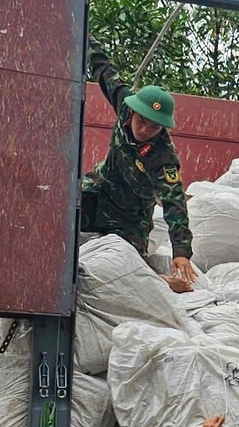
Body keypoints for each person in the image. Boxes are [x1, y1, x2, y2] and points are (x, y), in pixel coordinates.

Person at [81, 43, 197, 292]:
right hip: (100, 190)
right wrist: (86, 36)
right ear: (132, 112)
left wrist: (181, 252)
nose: (145, 130)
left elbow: (174, 202)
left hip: (131, 218)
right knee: (64, 213)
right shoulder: (124, 101)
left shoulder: (163, 157)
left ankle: (162, 281)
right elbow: (102, 69)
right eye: (142, 121)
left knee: (126, 267)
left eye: (154, 127)